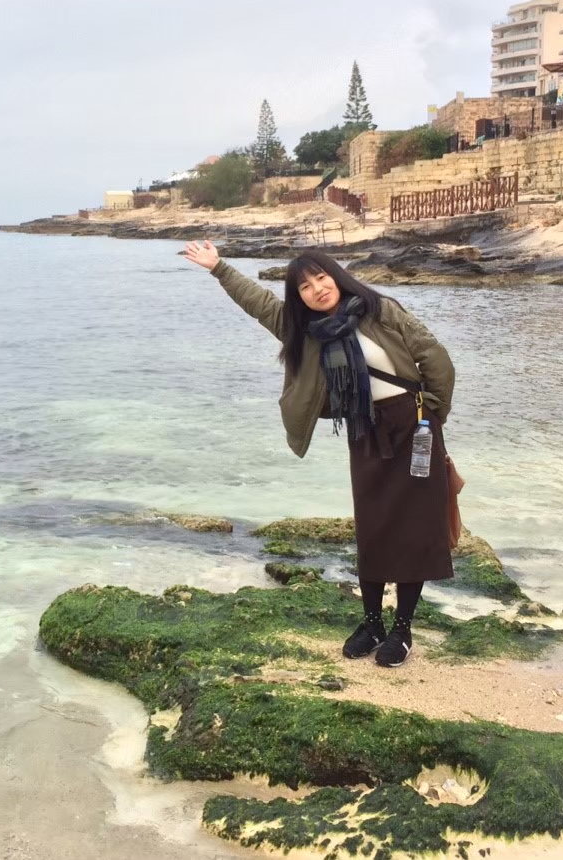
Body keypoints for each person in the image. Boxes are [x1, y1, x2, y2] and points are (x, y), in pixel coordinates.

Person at [183, 241, 456, 667]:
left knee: (413, 527)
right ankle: (372, 623)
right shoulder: (302, 330)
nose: (317, 290)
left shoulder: (379, 309)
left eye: (322, 278)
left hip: (412, 424)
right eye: (305, 287)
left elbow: (434, 357)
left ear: (336, 276)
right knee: (373, 527)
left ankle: (402, 630)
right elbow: (258, 303)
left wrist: (434, 411)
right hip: (364, 428)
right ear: (300, 297)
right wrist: (219, 267)